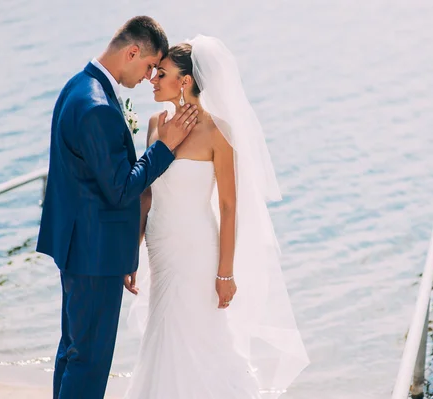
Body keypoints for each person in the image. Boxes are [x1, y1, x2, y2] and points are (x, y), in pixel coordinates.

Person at [124, 35, 310, 399]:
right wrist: (134, 248)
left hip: (198, 250)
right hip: (161, 248)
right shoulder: (154, 124)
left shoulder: (219, 132)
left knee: (201, 332)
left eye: (161, 73)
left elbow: (228, 206)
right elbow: (145, 192)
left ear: (185, 81)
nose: (153, 80)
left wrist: (226, 273)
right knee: (164, 329)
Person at [36, 16, 198, 399]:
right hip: (95, 254)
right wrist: (164, 148)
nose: (147, 78)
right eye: (148, 67)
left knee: (74, 353)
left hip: (82, 246)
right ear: (132, 52)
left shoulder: (78, 86)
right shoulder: (97, 107)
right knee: (89, 362)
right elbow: (121, 188)